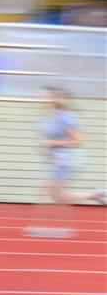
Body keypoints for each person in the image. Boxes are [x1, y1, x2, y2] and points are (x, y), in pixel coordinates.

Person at [23, 87, 106, 237]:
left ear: (55, 98)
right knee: (60, 197)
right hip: (56, 160)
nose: (41, 98)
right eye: (41, 96)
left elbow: (78, 140)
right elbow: (48, 138)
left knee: (42, 190)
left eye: (45, 96)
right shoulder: (45, 116)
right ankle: (95, 196)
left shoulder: (67, 117)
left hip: (68, 159)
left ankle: (37, 227)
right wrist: (42, 146)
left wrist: (54, 143)